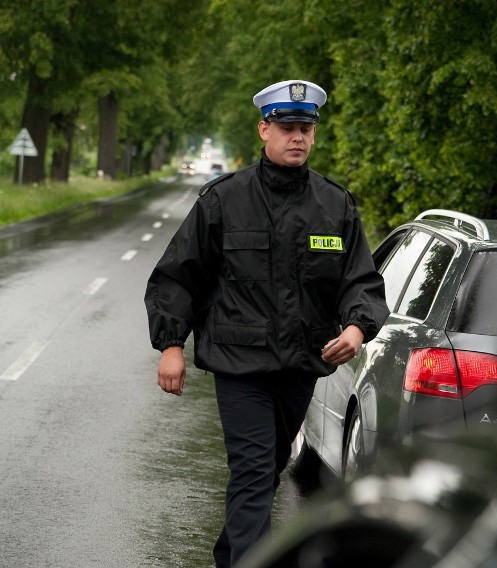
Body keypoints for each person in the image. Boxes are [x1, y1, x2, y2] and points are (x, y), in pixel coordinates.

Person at [144, 79, 389, 568]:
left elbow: (359, 281)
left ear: (314, 136)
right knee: (255, 472)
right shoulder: (223, 200)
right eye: (286, 127)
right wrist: (171, 344)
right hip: (241, 366)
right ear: (264, 130)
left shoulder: (334, 205)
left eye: (305, 129)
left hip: (301, 366)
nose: (297, 137)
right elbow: (177, 275)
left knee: (265, 472)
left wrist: (357, 328)